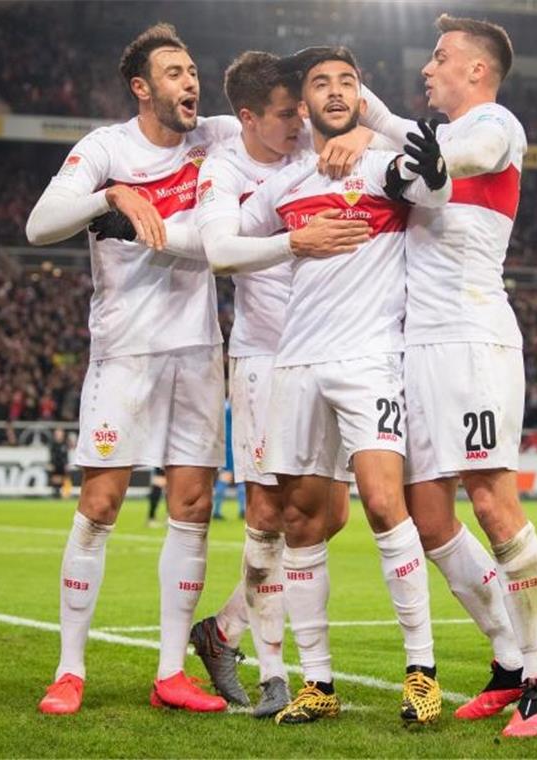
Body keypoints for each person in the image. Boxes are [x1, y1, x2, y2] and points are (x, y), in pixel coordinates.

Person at [218, 46, 451, 726]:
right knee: (299, 520)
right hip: (296, 363)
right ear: (305, 102)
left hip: (369, 360)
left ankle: (421, 671)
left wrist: (395, 139)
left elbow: (431, 183)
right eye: (321, 83)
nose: (336, 89)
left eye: (348, 80)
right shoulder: (283, 186)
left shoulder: (381, 166)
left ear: (361, 94)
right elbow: (224, 244)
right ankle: (316, 682)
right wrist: (289, 243)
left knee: (383, 503)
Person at [25, 22, 243, 716]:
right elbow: (39, 225)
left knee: (193, 509)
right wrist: (110, 196)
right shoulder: (105, 149)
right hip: (125, 352)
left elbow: (279, 124)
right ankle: (69, 669)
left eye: (193, 71)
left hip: (198, 352)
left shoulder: (213, 137)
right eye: (175, 73)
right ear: (142, 87)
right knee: (100, 505)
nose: (191, 82)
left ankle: (171, 673)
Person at [359, 15, 537, 737]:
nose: (428, 68)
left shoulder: (495, 123)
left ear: (476, 70)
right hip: (420, 350)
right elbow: (402, 146)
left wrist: (433, 163)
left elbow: (473, 152)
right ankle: (507, 659)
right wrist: (369, 119)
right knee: (429, 515)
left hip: (475, 341)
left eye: (441, 58)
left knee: (493, 503)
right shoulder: (427, 141)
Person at [186, 50, 361, 719]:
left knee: (329, 515)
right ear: (247, 117)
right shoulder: (227, 169)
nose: (300, 123)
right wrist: (298, 241)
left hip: (329, 353)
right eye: (287, 114)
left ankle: (223, 629)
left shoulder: (314, 149)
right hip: (263, 359)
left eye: (301, 111)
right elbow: (219, 252)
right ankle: (273, 677)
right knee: (269, 515)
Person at [47, 428, 71, 500]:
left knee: (62, 478)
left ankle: (60, 493)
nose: (59, 435)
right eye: (57, 433)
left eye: (60, 433)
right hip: (55, 463)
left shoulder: (65, 444)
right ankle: (55, 493)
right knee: (55, 478)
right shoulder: (52, 444)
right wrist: (51, 463)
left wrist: (66, 463)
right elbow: (51, 455)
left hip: (62, 464)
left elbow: (66, 455)